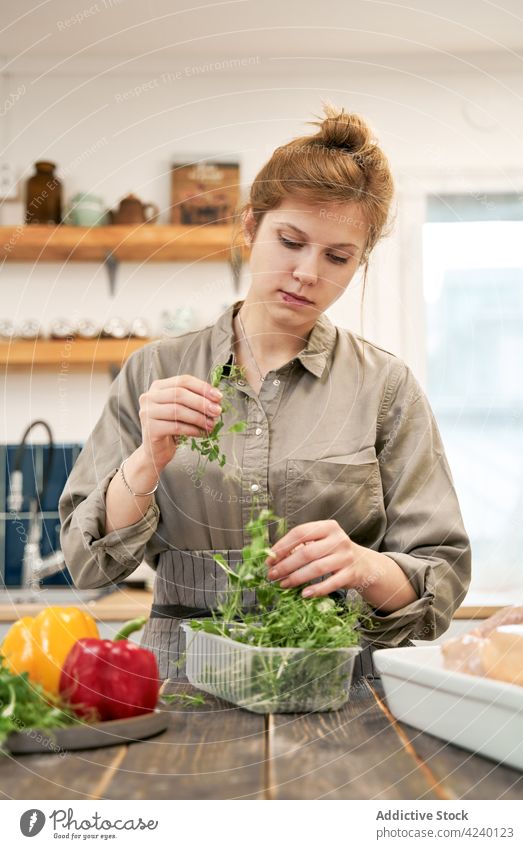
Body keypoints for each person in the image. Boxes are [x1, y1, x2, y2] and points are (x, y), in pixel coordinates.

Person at [58, 102, 471, 681]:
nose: (308, 272)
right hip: (186, 683)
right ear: (251, 226)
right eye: (291, 240)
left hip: (338, 683)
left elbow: (441, 581)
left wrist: (363, 566)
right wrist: (147, 460)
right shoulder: (153, 370)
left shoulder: (385, 386)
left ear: (360, 262)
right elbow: (86, 563)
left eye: (338, 256)